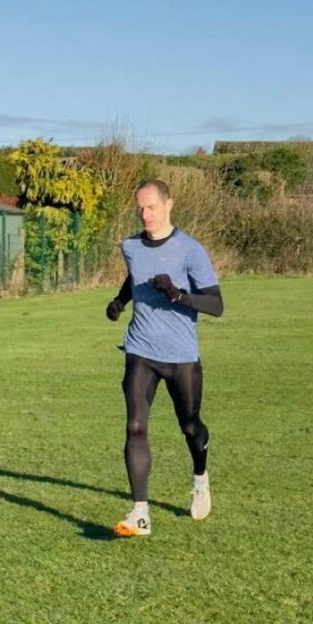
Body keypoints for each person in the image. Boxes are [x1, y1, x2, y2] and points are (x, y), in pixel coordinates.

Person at [106, 179, 224, 537]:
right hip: (140, 350)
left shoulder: (190, 250)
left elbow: (216, 304)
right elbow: (135, 276)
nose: (145, 214)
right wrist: (120, 301)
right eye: (140, 208)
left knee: (190, 426)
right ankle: (140, 513)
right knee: (135, 426)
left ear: (168, 205)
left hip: (180, 356)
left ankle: (200, 479)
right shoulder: (130, 246)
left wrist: (178, 295)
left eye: (151, 207)